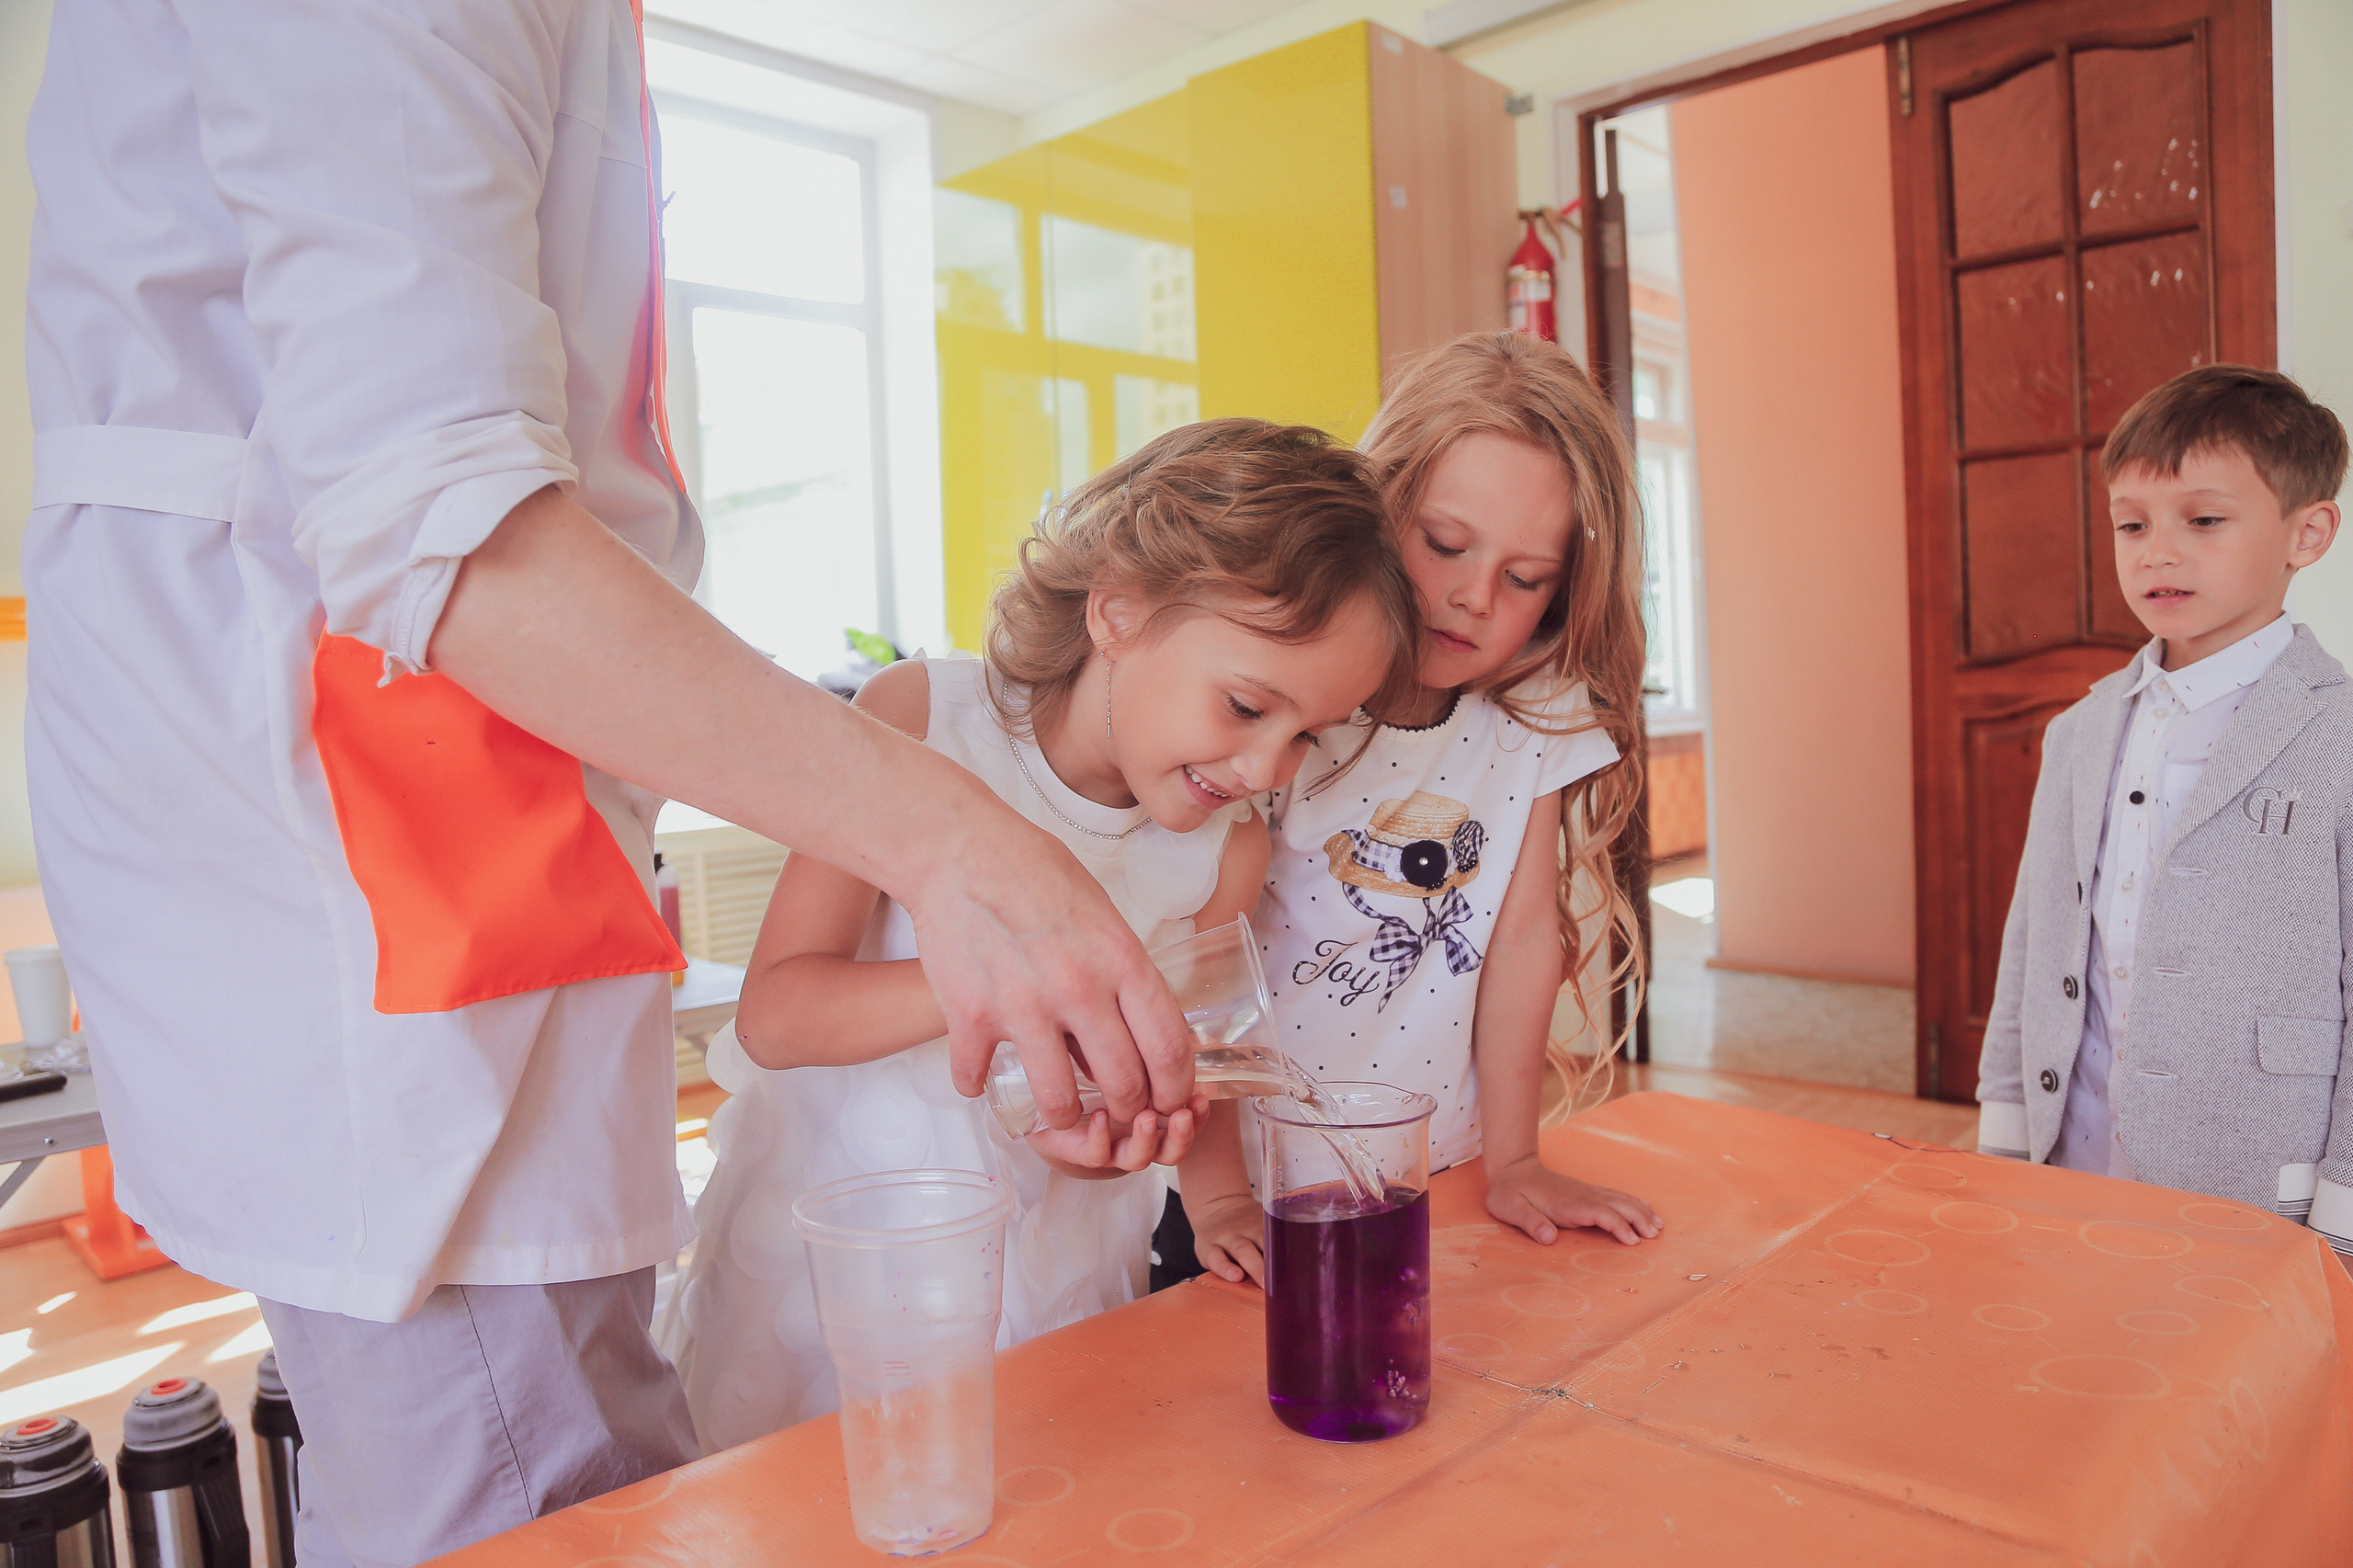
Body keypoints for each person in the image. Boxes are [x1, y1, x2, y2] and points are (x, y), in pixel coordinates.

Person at [23, 5, 1193, 1560]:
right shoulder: (947, 729)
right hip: (378, 904)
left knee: (581, 1458)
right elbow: (442, 515)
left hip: (479, 877)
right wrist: (960, 846)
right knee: (534, 1491)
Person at [662, 420, 1420, 1449]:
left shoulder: (1221, 853)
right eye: (1245, 704)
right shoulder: (923, 721)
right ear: (1117, 610)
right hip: (833, 1275)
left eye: (1304, 736)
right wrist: (1013, 964)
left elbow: (1186, 1067)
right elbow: (779, 1014)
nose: (1262, 769)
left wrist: (1207, 1196)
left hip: (1058, 1282)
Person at [1174, 333, 1663, 1289]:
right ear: (1378, 505)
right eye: (1443, 544)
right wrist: (1216, 1192)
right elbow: (1200, 949)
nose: (1473, 596)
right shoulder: (1287, 699)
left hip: (1432, 1167)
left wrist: (1515, 1158)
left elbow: (1522, 937)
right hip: (1250, 1185)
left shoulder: (1534, 713)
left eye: (1525, 579)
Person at [1975, 365, 2349, 1245]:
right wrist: (2000, 1134)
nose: (2158, 552)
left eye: (2205, 520)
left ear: (2309, 533)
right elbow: (2033, 937)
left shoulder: (2336, 732)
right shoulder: (2079, 729)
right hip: (2074, 1148)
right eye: (2132, 525)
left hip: (2260, 1177)